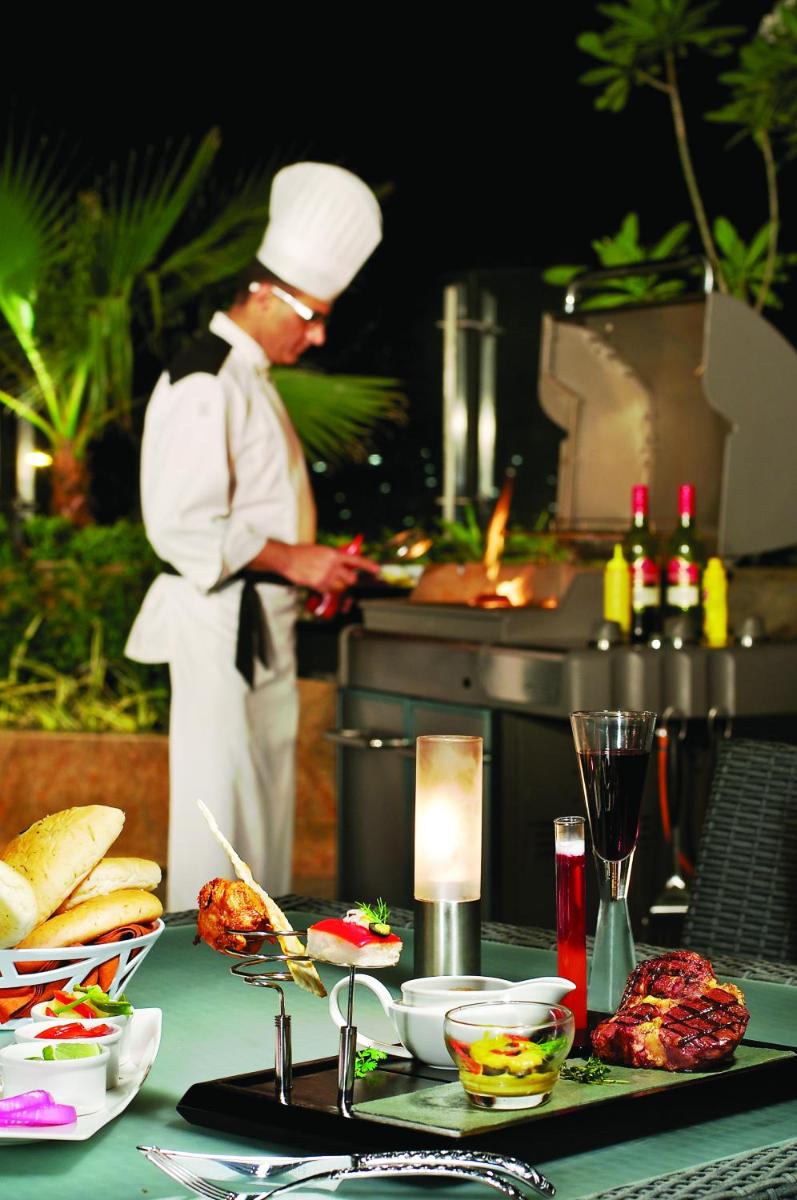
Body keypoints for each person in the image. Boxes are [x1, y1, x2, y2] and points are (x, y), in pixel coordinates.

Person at [125, 162, 382, 911]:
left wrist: (309, 569)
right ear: (265, 295)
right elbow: (182, 523)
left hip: (261, 623)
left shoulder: (249, 375)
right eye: (311, 316)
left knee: (263, 814)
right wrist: (294, 560)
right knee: (219, 814)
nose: (319, 333)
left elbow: (257, 509)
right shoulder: (204, 377)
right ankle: (209, 969)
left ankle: (261, 957)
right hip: (217, 625)